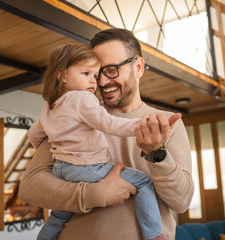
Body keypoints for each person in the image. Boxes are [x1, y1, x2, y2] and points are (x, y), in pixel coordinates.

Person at [19, 28, 194, 240]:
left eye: (110, 70)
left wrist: (157, 152)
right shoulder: (75, 116)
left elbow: (181, 202)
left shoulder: (166, 124)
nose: (100, 82)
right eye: (95, 72)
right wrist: (99, 193)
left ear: (138, 67)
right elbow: (30, 188)